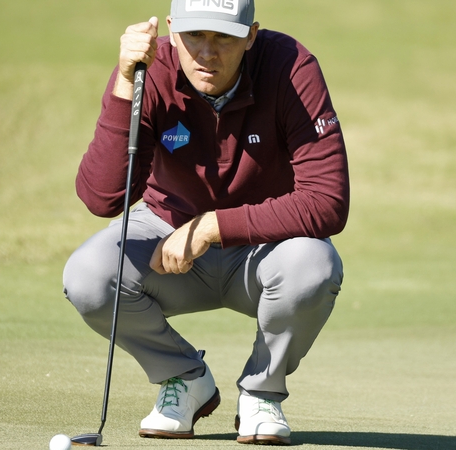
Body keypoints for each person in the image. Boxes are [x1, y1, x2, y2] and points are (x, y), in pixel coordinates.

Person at [62, 0, 348, 445]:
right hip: (165, 239)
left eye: (225, 38)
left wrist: (212, 226)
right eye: (195, 36)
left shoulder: (291, 66)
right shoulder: (150, 70)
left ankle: (261, 393)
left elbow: (328, 202)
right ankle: (185, 379)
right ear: (172, 33)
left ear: (251, 36)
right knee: (88, 276)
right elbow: (102, 198)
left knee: (315, 266)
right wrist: (124, 83)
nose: (207, 53)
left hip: (266, 250)